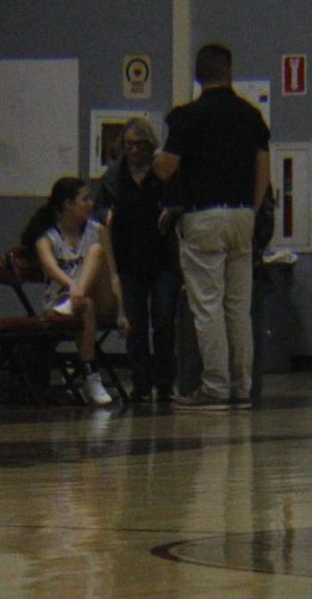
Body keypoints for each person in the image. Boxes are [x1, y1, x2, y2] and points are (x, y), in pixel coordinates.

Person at [152, 42, 271, 410]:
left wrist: (156, 157)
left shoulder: (187, 117)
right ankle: (242, 385)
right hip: (242, 216)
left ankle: (215, 387)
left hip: (203, 216)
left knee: (207, 306)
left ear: (198, 77)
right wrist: (249, 213)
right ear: (229, 72)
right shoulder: (252, 116)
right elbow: (263, 175)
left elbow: (167, 168)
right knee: (239, 306)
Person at [20, 176, 129, 407]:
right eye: (85, 199)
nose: (91, 204)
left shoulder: (97, 231)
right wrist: (72, 287)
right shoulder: (47, 235)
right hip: (60, 302)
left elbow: (113, 274)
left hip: (99, 299)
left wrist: (121, 312)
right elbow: (50, 267)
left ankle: (76, 299)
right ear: (68, 204)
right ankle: (91, 377)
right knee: (84, 305)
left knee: (96, 252)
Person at [95, 116, 182, 403]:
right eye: (129, 145)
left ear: (149, 146)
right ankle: (141, 384)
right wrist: (105, 216)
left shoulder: (161, 172)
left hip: (162, 258)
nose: (134, 151)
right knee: (134, 323)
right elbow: (100, 209)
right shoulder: (114, 176)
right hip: (128, 258)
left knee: (164, 319)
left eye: (139, 145)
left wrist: (171, 210)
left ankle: (166, 383)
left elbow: (181, 200)